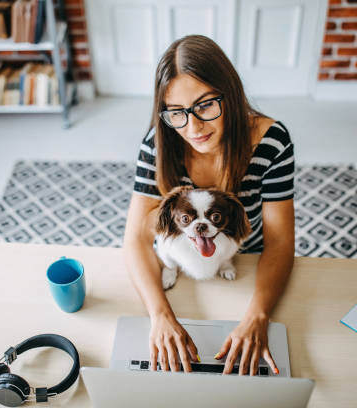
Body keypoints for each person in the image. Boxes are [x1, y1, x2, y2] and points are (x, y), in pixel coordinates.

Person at [123, 35, 295, 377]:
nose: (193, 127)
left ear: (229, 93)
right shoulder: (159, 143)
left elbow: (280, 241)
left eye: (204, 105)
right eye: (177, 113)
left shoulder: (272, 142)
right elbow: (136, 239)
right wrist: (160, 315)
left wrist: (258, 316)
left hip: (246, 262)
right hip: (179, 263)